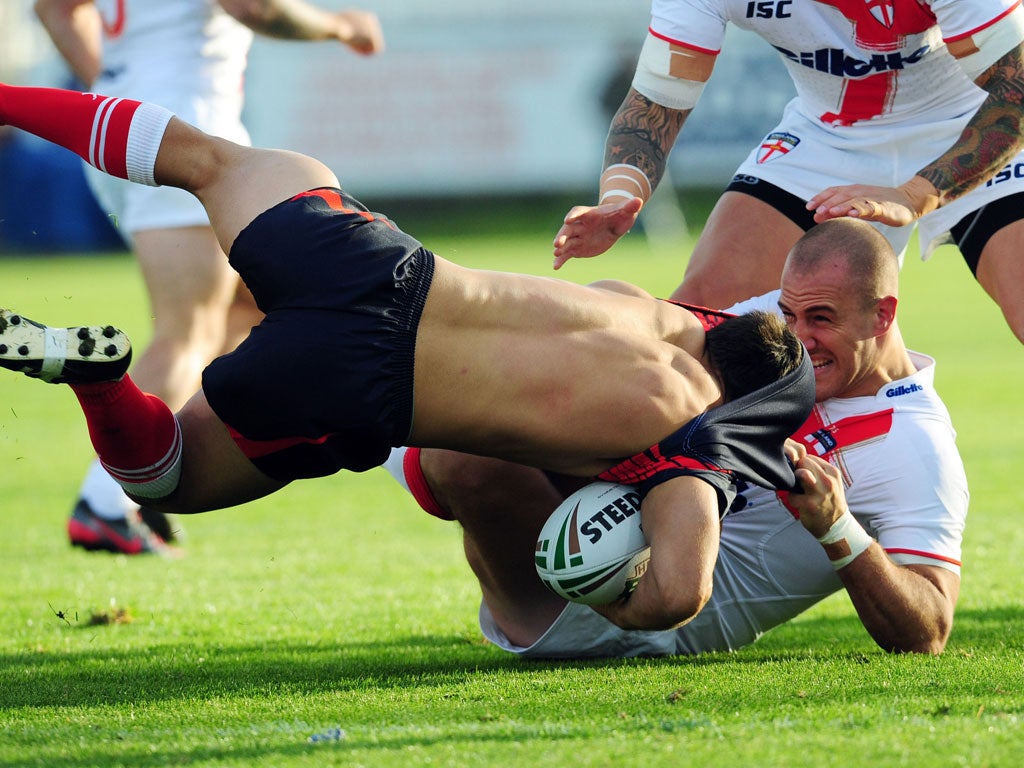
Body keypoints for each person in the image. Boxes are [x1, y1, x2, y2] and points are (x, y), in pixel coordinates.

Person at [0, 81, 815, 631]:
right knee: (166, 477)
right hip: (358, 384)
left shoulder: (640, 308)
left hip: (378, 260)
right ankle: (102, 381)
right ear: (746, 406)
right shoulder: (696, 437)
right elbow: (680, 592)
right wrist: (604, 589)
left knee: (204, 158)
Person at [386, 218, 968, 656]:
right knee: (620, 297)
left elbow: (929, 630)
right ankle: (394, 319)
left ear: (883, 315)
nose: (799, 338)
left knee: (460, 458)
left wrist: (837, 528)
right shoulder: (778, 323)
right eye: (789, 314)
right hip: (619, 494)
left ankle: (375, 389)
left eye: (822, 319)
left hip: (627, 613)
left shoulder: (917, 446)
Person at [33, 0, 385, 555]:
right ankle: (105, 503)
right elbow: (254, 7)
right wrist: (342, 25)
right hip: (181, 134)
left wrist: (112, 83)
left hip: (129, 123)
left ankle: (160, 470)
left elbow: (54, 9)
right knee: (189, 329)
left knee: (250, 311)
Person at [551, 0, 1024, 347]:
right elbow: (656, 101)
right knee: (697, 332)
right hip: (831, 134)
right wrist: (619, 194)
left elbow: (1016, 92)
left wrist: (915, 193)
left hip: (979, 119)